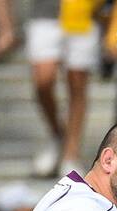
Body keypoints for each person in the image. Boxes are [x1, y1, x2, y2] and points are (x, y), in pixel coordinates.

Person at [27, 0, 100, 176]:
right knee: (43, 81)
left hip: (83, 10)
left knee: (77, 84)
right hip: (45, 13)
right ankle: (58, 137)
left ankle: (71, 153)